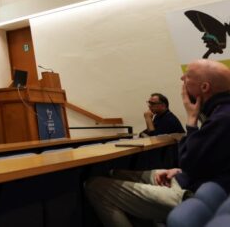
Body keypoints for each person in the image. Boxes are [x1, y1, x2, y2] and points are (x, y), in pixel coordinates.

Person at [85, 59, 230, 226]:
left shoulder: (222, 118)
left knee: (95, 186)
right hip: (192, 179)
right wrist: (178, 170)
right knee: (117, 173)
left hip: (198, 194)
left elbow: (189, 161)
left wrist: (191, 121)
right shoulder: (219, 112)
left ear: (204, 87)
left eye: (187, 76)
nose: (182, 79)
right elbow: (212, 160)